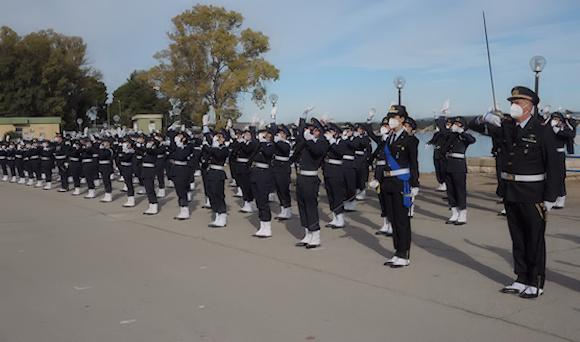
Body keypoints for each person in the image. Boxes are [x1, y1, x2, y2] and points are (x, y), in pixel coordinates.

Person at [469, 86, 559, 298]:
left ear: (529, 107)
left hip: (533, 192)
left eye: (518, 102)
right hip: (511, 191)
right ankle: (521, 277)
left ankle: (536, 281)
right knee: (517, 237)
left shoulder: (542, 130)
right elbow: (472, 125)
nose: (514, 106)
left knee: (534, 238)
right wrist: (485, 118)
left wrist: (550, 197)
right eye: (513, 102)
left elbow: (554, 166)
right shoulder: (506, 126)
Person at [380, 105, 419, 268]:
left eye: (394, 117)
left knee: (402, 219)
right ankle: (397, 251)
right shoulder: (389, 138)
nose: (391, 120)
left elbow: (414, 163)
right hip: (388, 182)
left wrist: (414, 184)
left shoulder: (409, 140)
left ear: (402, 119)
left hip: (402, 182)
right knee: (393, 218)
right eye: (390, 117)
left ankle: (404, 253)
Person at [292, 117, 329, 249]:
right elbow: (298, 146)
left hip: (311, 178)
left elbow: (317, 151)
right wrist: (302, 119)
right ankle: (308, 233)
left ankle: (316, 235)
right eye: (311, 129)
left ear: (320, 131)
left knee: (310, 206)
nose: (311, 131)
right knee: (302, 206)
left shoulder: (322, 143)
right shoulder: (308, 142)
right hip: (301, 177)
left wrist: (308, 140)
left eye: (314, 130)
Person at [441, 116, 476, 225]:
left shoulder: (464, 136)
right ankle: (454, 212)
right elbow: (444, 148)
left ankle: (462, 213)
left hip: (458, 165)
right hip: (448, 164)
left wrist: (461, 132)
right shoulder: (450, 136)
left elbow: (472, 140)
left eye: (458, 124)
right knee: (450, 190)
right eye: (455, 123)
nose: (455, 125)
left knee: (459, 190)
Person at [249, 126, 276, 237]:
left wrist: (263, 142)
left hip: (264, 174)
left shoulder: (272, 146)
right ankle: (262, 225)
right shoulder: (261, 144)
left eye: (268, 133)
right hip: (256, 173)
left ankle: (267, 226)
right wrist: (253, 130)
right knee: (258, 201)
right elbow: (253, 150)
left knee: (263, 201)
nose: (265, 135)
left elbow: (268, 153)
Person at [549, 112, 576, 209]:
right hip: (549, 154)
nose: (555, 120)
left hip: (559, 154)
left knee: (560, 177)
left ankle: (561, 198)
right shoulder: (549, 128)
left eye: (557, 118)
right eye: (553, 118)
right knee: (551, 177)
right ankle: (553, 197)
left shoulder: (563, 127)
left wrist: (558, 130)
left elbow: (571, 134)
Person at [322, 122, 347, 229]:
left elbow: (339, 152)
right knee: (330, 195)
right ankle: (334, 217)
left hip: (337, 171)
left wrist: (332, 141)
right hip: (328, 170)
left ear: (336, 133)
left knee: (337, 195)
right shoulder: (328, 143)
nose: (329, 134)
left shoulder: (342, 142)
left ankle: (340, 218)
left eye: (330, 132)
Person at [206, 130, 230, 227]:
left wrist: (213, 147)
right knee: (211, 194)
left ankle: (222, 215)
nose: (217, 139)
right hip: (211, 172)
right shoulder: (214, 147)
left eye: (220, 137)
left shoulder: (224, 148)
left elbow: (219, 155)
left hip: (218, 173)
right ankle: (217, 214)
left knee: (218, 194)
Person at [272, 124, 293, 220]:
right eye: (279, 133)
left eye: (282, 133)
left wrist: (278, 141)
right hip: (277, 167)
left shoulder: (287, 143)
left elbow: (284, 149)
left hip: (284, 168)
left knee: (284, 189)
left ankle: (287, 209)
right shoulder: (278, 142)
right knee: (279, 189)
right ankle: (282, 209)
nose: (280, 135)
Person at [403, 117, 420, 217]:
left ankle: (409, 209)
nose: (405, 128)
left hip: (408, 169)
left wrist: (415, 181)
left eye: (407, 127)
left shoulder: (413, 140)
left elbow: (413, 161)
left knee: (408, 191)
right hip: (398, 169)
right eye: (404, 126)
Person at [141, 137, 160, 215]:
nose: (149, 142)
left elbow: (149, 151)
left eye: (151, 141)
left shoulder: (154, 150)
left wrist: (148, 147)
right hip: (144, 170)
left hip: (150, 170)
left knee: (150, 188)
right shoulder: (146, 149)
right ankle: (151, 204)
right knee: (147, 188)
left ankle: (154, 204)